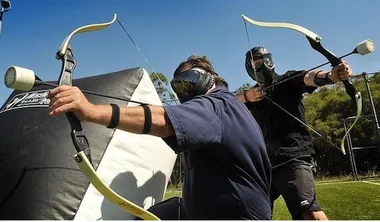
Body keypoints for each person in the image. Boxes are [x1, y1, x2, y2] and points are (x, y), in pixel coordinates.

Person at [47, 56, 272, 220]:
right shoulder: (224, 108)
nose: (183, 91)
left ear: (208, 78)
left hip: (235, 215)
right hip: (201, 211)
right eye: (177, 87)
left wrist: (92, 111)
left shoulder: (217, 104)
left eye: (187, 81)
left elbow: (162, 119)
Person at [237, 46, 353, 220]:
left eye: (266, 60)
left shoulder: (287, 80)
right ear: (249, 67)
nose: (263, 65)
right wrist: (246, 96)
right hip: (265, 166)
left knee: (309, 214)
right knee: (247, 213)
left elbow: (308, 78)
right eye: (257, 62)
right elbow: (226, 102)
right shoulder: (250, 96)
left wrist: (331, 76)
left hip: (293, 158)